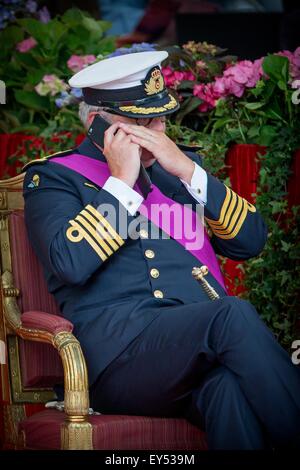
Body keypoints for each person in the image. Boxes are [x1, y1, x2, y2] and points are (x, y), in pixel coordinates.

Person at [22, 51, 300, 450]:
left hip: (194, 354)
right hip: (120, 361)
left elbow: (251, 241)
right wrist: (121, 181)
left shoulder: (177, 173)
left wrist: (189, 171)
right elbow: (70, 262)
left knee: (226, 391)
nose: (156, 131)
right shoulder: (54, 178)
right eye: (140, 122)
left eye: (160, 119)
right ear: (98, 123)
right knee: (231, 312)